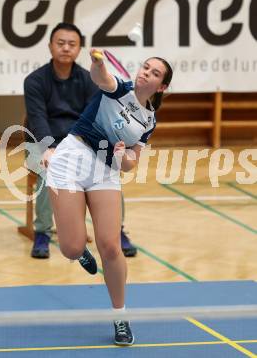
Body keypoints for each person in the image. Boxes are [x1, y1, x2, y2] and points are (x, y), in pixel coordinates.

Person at [46, 49, 173, 345]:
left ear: (162, 87)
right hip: (72, 158)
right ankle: (79, 250)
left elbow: (131, 162)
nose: (146, 73)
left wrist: (123, 156)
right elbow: (100, 77)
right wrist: (98, 62)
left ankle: (120, 317)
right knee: (70, 247)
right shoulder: (120, 89)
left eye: (155, 73)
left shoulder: (149, 121)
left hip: (105, 168)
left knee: (111, 246)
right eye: (145, 67)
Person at [24, 22, 137, 263]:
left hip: (80, 142)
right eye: (60, 43)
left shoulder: (89, 79)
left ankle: (116, 230)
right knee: (49, 171)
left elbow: (96, 118)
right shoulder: (34, 81)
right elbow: (37, 119)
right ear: (50, 46)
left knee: (108, 171)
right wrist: (50, 149)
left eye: (72, 44)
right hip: (43, 142)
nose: (66, 48)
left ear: (78, 49)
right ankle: (42, 232)